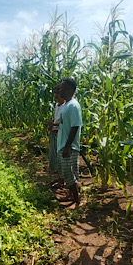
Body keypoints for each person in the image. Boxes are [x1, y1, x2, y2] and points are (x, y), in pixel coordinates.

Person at [57, 77, 82, 207]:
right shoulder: (66, 105)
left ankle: (77, 200)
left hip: (69, 146)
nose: (60, 89)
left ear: (69, 89)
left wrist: (67, 146)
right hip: (64, 144)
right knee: (69, 173)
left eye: (62, 87)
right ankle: (72, 195)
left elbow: (75, 126)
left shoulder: (73, 105)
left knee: (68, 172)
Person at [47, 83, 66, 175]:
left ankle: (60, 174)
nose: (56, 98)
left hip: (61, 133)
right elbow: (57, 118)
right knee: (53, 153)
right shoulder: (57, 105)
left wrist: (53, 124)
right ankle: (55, 170)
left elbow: (64, 122)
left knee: (60, 154)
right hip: (55, 131)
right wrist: (51, 125)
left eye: (58, 96)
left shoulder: (66, 107)